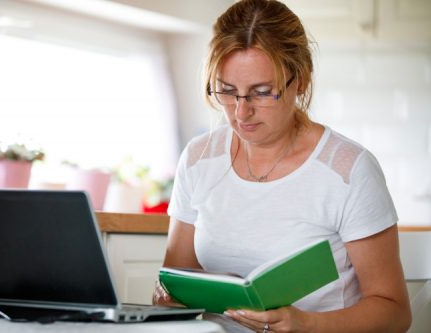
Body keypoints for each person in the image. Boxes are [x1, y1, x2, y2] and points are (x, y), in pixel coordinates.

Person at [153, 0, 412, 332]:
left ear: (300, 80)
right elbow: (176, 279)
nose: (240, 112)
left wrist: (306, 324)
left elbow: (395, 313)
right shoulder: (199, 158)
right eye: (228, 91)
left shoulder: (348, 170)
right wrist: (167, 298)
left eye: (261, 93)